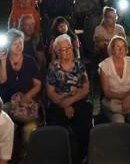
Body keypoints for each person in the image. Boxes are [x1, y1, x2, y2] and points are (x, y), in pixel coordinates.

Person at [46, 34, 92, 162]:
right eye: (63, 49)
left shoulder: (79, 65)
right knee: (57, 122)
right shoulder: (53, 66)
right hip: (59, 102)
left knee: (83, 120)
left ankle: (82, 156)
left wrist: (70, 101)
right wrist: (64, 104)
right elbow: (50, 92)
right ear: (56, 51)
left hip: (78, 99)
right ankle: (61, 156)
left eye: (69, 48)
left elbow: (85, 88)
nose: (66, 51)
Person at [0, 28, 41, 153]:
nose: (19, 46)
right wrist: (3, 61)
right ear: (9, 46)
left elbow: (38, 84)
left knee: (30, 129)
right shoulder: (1, 60)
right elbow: (2, 80)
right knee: (5, 127)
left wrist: (27, 96)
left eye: (20, 43)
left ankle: (26, 156)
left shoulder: (30, 61)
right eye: (15, 44)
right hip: (8, 102)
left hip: (26, 103)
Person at [99, 35, 130, 143]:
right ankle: (122, 149)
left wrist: (129, 97)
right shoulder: (105, 65)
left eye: (123, 47)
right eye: (117, 47)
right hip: (113, 100)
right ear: (112, 49)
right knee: (119, 122)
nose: (121, 50)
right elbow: (106, 91)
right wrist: (125, 98)